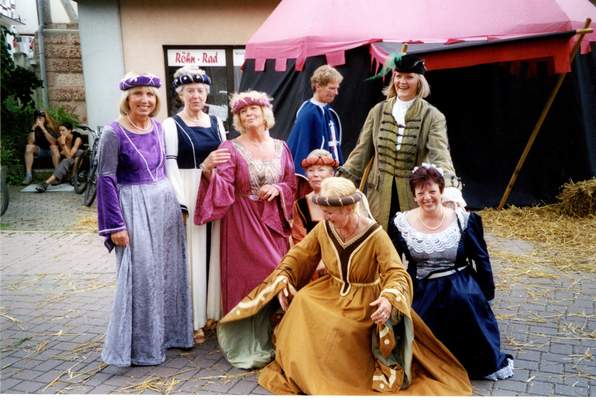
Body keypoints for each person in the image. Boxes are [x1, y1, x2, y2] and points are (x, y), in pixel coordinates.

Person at [215, 177, 472, 395]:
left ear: (349, 208)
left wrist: (388, 298)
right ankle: (302, 367)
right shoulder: (324, 228)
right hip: (330, 290)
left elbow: (395, 272)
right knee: (302, 303)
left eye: (330, 212)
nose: (325, 217)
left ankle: (328, 376)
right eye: (324, 212)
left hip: (364, 299)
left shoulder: (375, 234)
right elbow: (300, 255)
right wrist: (285, 278)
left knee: (339, 327)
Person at [96, 72, 192, 366]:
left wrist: (180, 204)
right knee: (141, 276)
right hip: (133, 207)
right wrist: (115, 226)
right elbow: (106, 179)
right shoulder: (113, 133)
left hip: (164, 206)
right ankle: (140, 347)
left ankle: (167, 336)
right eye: (138, 93)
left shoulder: (158, 128)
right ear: (127, 99)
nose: (145, 100)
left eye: (150, 94)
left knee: (167, 273)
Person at [389, 164, 513, 380]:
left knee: (464, 302)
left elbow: (481, 259)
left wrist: (485, 295)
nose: (427, 197)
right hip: (421, 286)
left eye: (432, 191)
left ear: (441, 191)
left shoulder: (463, 220)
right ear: (414, 196)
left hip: (459, 283)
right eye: (421, 193)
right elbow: (392, 261)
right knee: (416, 321)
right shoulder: (401, 223)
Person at [194, 90, 296, 315]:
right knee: (255, 273)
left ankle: (276, 325)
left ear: (264, 112)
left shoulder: (282, 147)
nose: (248, 114)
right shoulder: (230, 148)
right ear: (238, 119)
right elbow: (223, 185)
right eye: (242, 111)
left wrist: (278, 188)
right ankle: (243, 325)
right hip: (242, 221)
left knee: (279, 270)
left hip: (273, 222)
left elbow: (291, 184)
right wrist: (208, 170)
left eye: (253, 109)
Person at [338, 54, 464, 231]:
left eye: (409, 77)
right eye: (398, 76)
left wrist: (450, 188)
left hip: (413, 196)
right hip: (379, 195)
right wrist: (340, 183)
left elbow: (440, 155)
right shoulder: (378, 111)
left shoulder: (433, 116)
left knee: (409, 239)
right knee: (380, 240)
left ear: (419, 82)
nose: (402, 82)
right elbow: (360, 153)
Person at [163, 66, 229, 344]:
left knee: (215, 250)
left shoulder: (216, 122)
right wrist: (180, 202)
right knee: (194, 254)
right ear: (180, 94)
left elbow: (226, 158)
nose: (196, 95)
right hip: (189, 190)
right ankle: (193, 320)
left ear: (206, 93)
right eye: (189, 90)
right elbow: (169, 164)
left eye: (200, 90)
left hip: (212, 188)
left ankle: (214, 312)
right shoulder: (171, 125)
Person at [287, 65, 343, 198]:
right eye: (332, 88)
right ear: (318, 86)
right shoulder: (308, 113)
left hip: (328, 177)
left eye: (337, 88)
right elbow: (301, 148)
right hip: (315, 181)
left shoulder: (328, 111)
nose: (336, 93)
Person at [290, 148, 338, 246]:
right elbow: (299, 241)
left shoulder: (343, 200)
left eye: (321, 170)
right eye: (311, 170)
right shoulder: (301, 205)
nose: (315, 174)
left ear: (332, 173)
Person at [35, 122, 83, 192]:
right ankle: (46, 183)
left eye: (63, 130)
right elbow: (68, 156)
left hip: (81, 160)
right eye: (60, 131)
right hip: (69, 160)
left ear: (69, 130)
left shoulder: (77, 138)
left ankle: (74, 177)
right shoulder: (61, 139)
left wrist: (63, 144)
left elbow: (70, 154)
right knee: (65, 161)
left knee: (79, 153)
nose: (61, 133)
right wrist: (63, 144)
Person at [22, 110, 60, 184]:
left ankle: (57, 175)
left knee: (53, 147)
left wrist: (43, 128)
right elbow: (30, 142)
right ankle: (28, 175)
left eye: (41, 117)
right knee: (29, 147)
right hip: (40, 150)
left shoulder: (50, 127)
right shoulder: (33, 127)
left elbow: (53, 142)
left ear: (45, 118)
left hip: (51, 151)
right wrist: (33, 129)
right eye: (38, 117)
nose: (39, 119)